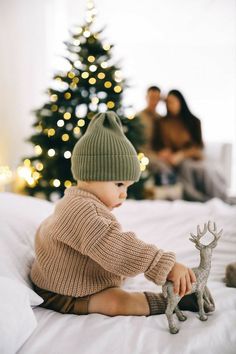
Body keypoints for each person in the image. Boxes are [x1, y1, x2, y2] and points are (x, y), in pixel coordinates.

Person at [30, 111, 214, 316]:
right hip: (62, 292)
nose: (123, 194)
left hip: (76, 276)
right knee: (117, 302)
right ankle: (169, 302)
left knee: (119, 275)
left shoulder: (82, 201)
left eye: (127, 187)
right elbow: (115, 245)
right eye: (118, 184)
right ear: (90, 175)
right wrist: (164, 265)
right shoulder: (81, 210)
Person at [151, 89, 228, 202]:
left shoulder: (193, 121)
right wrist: (164, 152)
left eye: (172, 102)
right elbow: (157, 145)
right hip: (174, 160)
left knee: (205, 169)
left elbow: (199, 146)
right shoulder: (162, 123)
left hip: (192, 157)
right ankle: (200, 199)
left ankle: (221, 198)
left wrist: (182, 155)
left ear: (180, 102)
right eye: (167, 103)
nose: (170, 105)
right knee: (186, 167)